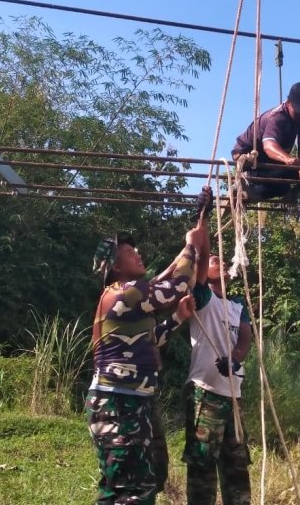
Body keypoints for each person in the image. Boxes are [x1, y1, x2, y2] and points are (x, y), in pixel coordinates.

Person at [86, 198, 211, 505]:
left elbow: (150, 338)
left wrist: (179, 318)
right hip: (117, 403)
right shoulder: (123, 292)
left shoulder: (128, 296)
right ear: (116, 265)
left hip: (127, 401)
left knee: (127, 487)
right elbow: (178, 282)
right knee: (131, 491)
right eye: (130, 252)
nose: (138, 253)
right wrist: (191, 244)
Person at [183, 253, 253, 505]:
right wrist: (202, 226)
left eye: (223, 261)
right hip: (205, 392)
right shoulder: (203, 298)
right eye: (214, 261)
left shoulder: (237, 306)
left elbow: (245, 338)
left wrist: (235, 357)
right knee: (203, 466)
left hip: (233, 396)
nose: (221, 262)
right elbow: (199, 269)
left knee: (237, 465)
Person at [231, 81, 300, 202]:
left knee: (287, 182)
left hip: (268, 159)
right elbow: (269, 146)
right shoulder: (278, 117)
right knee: (283, 180)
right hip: (248, 156)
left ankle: (259, 190)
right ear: (288, 103)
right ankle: (247, 185)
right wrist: (287, 159)